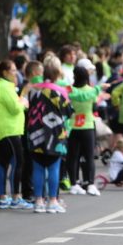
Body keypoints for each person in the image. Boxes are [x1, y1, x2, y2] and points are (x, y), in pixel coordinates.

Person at [27, 61, 72, 213]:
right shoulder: (60, 91)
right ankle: (52, 201)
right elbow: (68, 112)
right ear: (57, 75)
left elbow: (28, 108)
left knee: (38, 168)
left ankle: (38, 201)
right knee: (54, 167)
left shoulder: (33, 91)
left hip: (35, 133)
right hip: (55, 134)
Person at [0, 60, 31, 210]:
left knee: (3, 163)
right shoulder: (4, 87)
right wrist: (24, 102)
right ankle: (15, 197)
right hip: (8, 130)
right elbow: (15, 108)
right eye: (13, 71)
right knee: (18, 162)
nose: (16, 74)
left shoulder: (4, 86)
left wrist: (22, 96)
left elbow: (13, 104)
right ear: (5, 72)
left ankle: (3, 198)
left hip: (4, 130)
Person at [67, 65, 108, 195]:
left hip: (73, 126)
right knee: (89, 157)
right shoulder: (92, 91)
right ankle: (90, 183)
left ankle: (73, 183)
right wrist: (99, 89)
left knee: (73, 157)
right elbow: (95, 107)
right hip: (88, 126)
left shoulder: (71, 91)